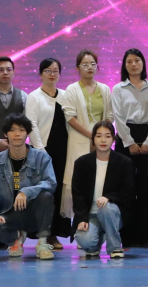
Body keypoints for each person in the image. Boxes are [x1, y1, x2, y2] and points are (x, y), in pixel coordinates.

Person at [0, 113, 58, 260]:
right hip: (10, 214)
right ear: (5, 134)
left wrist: (27, 191)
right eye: (12, 130)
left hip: (34, 214)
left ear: (27, 133)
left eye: (21, 130)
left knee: (46, 196)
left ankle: (42, 243)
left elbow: (50, 183)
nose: (17, 134)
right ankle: (16, 238)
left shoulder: (41, 158)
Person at [26, 57, 76, 245]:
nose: (52, 74)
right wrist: (41, 151)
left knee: (61, 192)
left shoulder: (65, 95)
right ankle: (44, 233)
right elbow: (31, 125)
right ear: (41, 74)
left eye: (55, 71)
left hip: (64, 150)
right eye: (48, 70)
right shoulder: (34, 97)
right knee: (45, 192)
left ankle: (56, 232)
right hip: (43, 151)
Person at [112, 49, 148, 247]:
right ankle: (127, 235)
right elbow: (118, 117)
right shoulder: (118, 89)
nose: (133, 64)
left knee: (146, 188)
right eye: (129, 61)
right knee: (126, 187)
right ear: (124, 65)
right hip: (125, 137)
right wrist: (129, 142)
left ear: (143, 63)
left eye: (137, 60)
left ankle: (145, 235)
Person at [62, 50, 110, 236]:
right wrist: (92, 136)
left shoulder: (105, 89)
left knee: (101, 182)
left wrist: (101, 137)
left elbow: (110, 115)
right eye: (85, 64)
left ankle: (100, 226)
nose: (90, 68)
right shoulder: (72, 89)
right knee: (80, 184)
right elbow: (70, 117)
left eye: (93, 64)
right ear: (77, 68)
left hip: (102, 143)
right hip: (80, 141)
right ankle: (81, 227)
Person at [71, 120, 133, 260]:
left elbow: (128, 192)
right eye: (99, 136)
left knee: (106, 208)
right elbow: (77, 194)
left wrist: (109, 198)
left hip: (113, 213)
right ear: (93, 138)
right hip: (91, 215)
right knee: (86, 242)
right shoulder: (82, 163)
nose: (103, 140)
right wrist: (81, 218)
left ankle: (115, 247)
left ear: (113, 139)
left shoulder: (124, 162)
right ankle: (98, 239)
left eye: (107, 136)